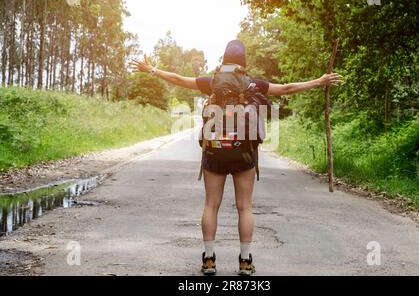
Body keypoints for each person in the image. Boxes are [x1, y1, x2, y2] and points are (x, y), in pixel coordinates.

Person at [129, 40, 342, 276]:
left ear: (224, 59)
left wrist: (151, 70)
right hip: (244, 152)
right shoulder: (254, 83)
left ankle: (209, 260)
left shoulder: (212, 82)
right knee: (245, 207)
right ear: (243, 60)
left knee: (211, 204)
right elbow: (287, 88)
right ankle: (244, 261)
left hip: (215, 151)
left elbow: (179, 79)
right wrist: (320, 81)